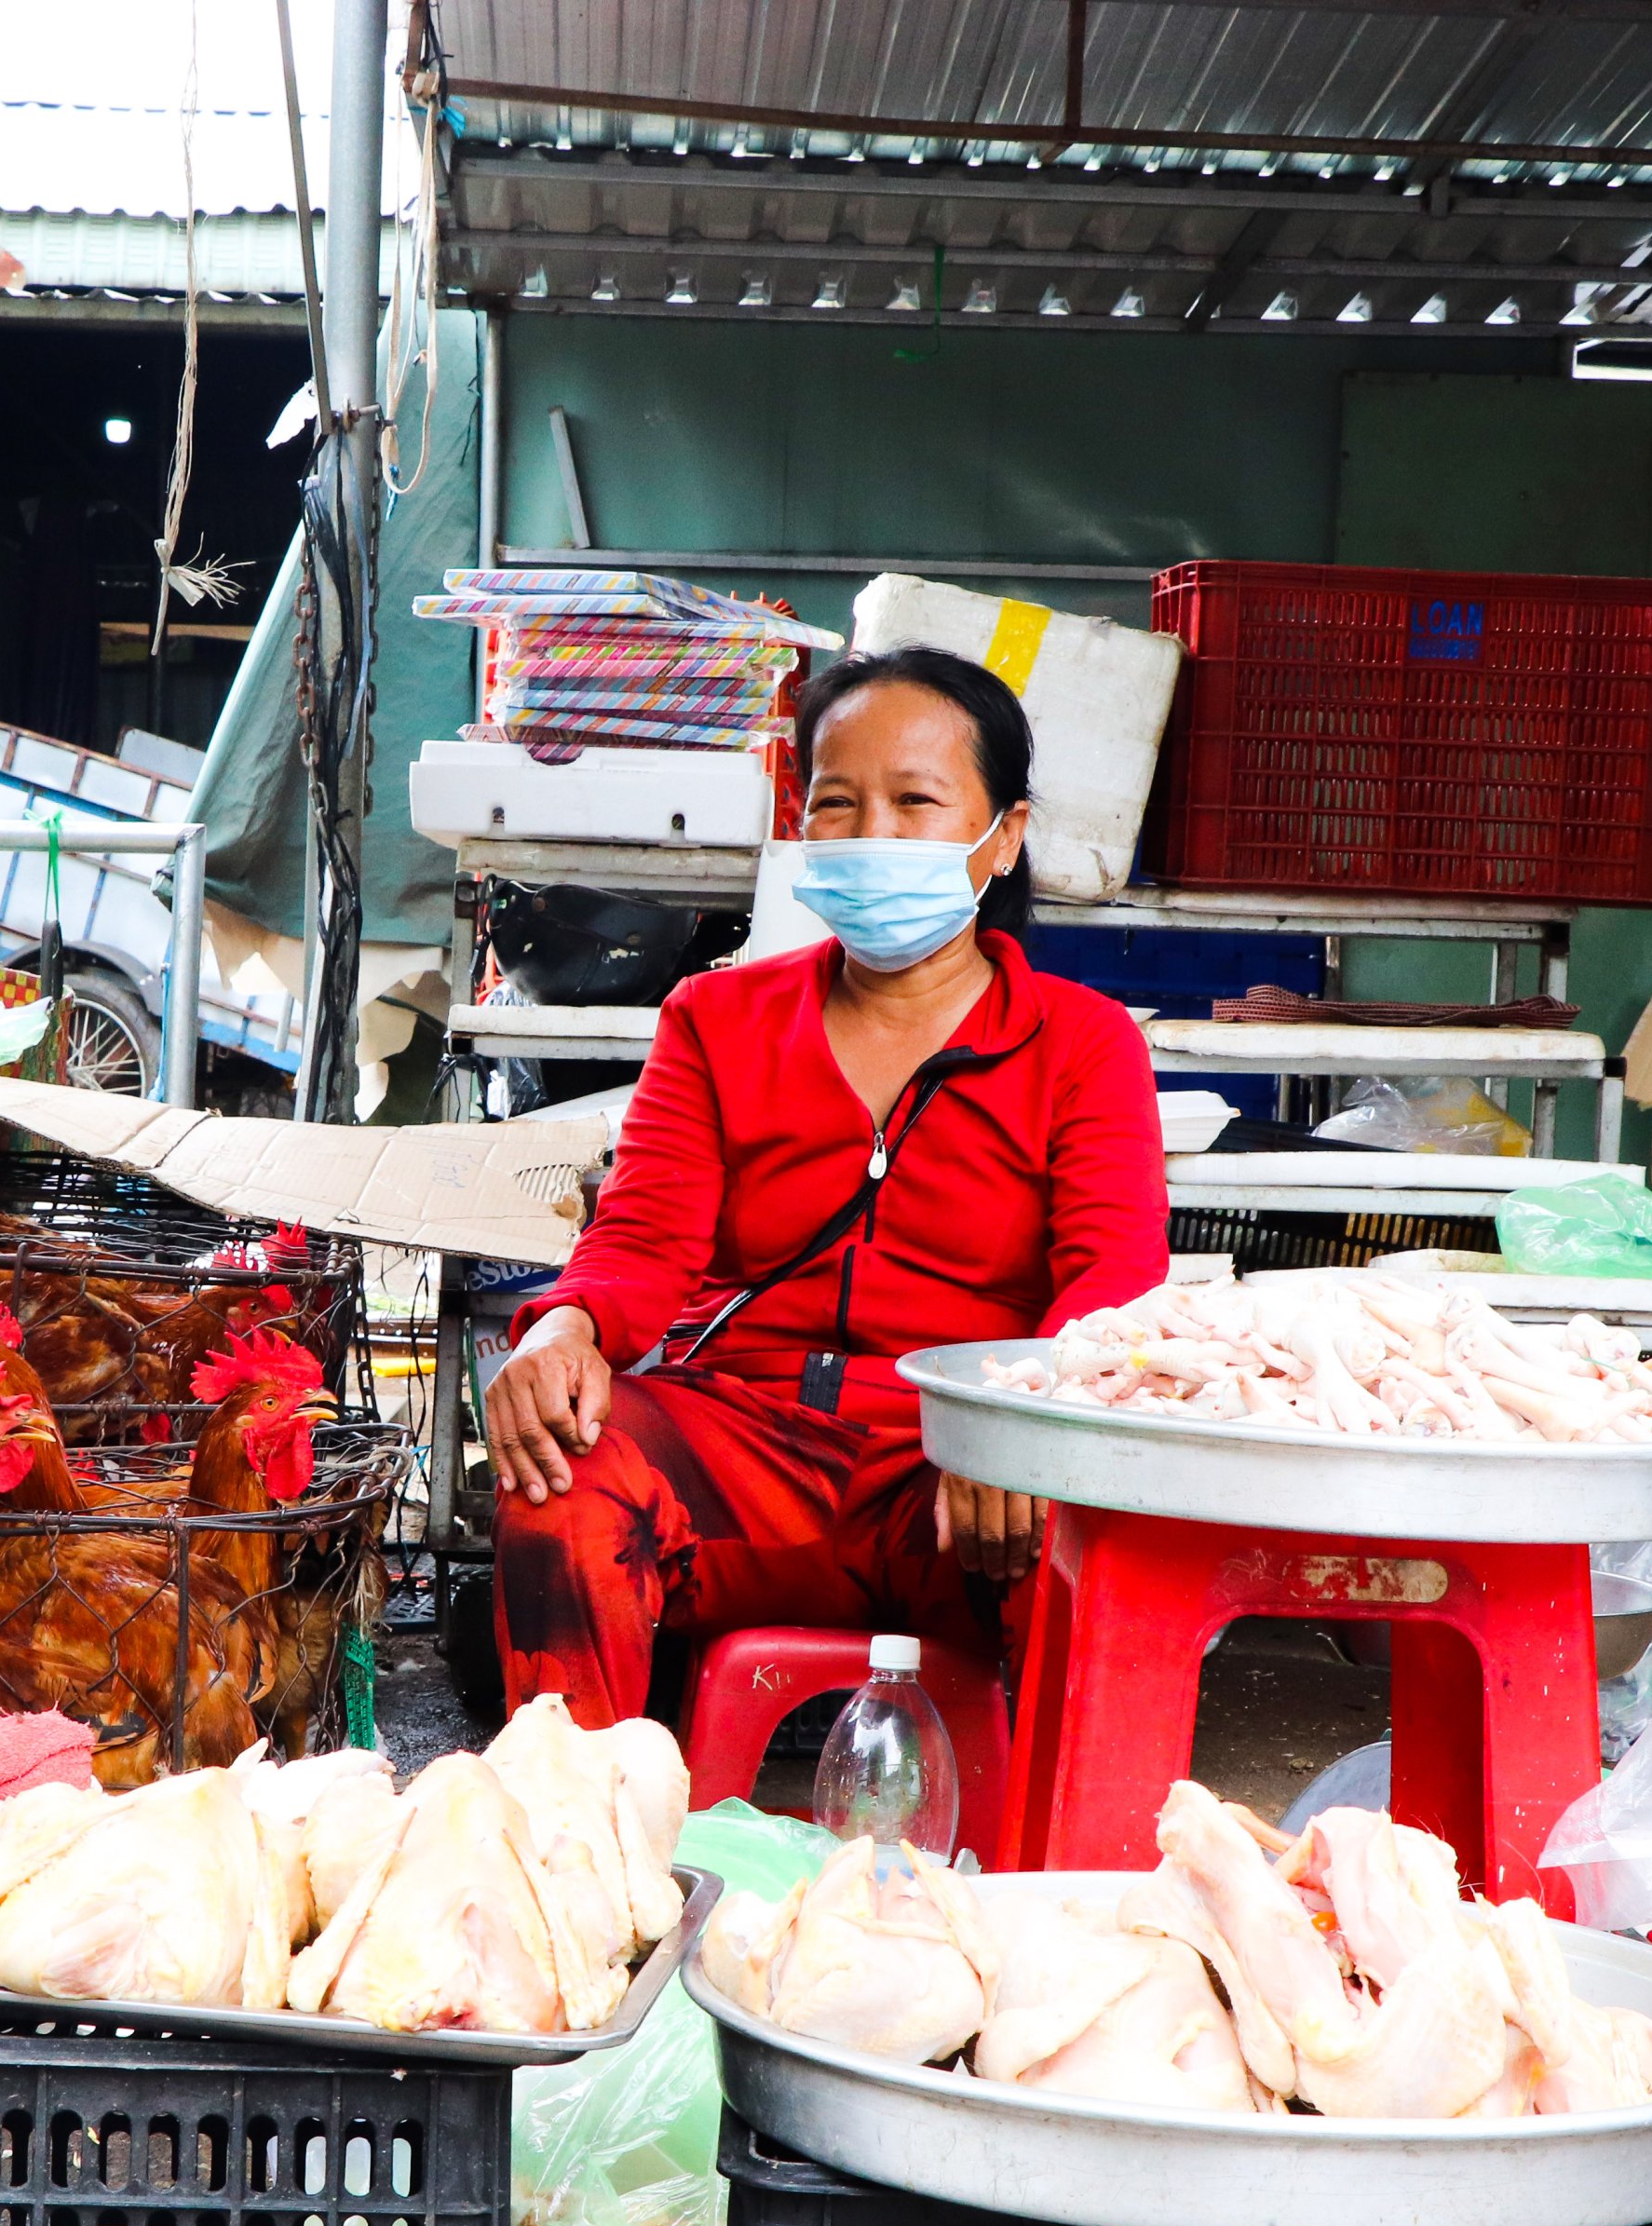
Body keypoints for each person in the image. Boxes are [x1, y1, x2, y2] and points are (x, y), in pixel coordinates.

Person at [482, 644, 1170, 1725]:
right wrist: (561, 1327)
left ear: (1006, 836)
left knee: (1087, 1532)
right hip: (740, 1446)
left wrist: (1016, 1426)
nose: (875, 834)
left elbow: (1112, 1280)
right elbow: (641, 1243)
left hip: (951, 1468)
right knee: (561, 1475)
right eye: (841, 802)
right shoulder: (714, 1022)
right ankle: (572, 1846)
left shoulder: (1082, 1044)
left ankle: (1060, 1881)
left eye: (917, 801)